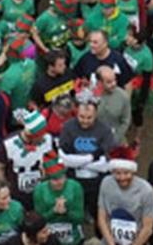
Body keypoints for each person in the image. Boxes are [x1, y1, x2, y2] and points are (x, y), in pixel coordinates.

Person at [57, 90, 116, 221]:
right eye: (82, 117)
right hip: (74, 175)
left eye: (89, 118)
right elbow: (64, 157)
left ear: (96, 115)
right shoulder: (68, 127)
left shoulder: (104, 129)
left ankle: (92, 212)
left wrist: (77, 161)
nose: (85, 121)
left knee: (95, 200)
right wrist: (90, 158)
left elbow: (105, 161)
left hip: (97, 178)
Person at [97, 159, 153, 245]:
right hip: (110, 240)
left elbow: (147, 228)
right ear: (112, 172)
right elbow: (102, 218)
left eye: (126, 173)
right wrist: (110, 243)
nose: (122, 177)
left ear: (133, 172)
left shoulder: (146, 190)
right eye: (117, 173)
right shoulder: (106, 183)